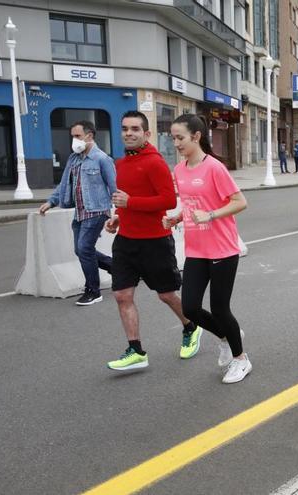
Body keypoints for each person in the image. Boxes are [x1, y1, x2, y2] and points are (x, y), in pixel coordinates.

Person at [104, 110, 201, 371]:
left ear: (146, 134)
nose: (128, 133)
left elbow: (168, 201)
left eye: (135, 129)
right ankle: (136, 350)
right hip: (125, 241)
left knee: (167, 295)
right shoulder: (120, 163)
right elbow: (126, 200)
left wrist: (130, 203)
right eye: (125, 129)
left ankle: (191, 327)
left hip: (154, 241)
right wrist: (117, 217)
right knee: (122, 295)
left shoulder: (155, 162)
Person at [163, 114, 251, 384]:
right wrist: (178, 217)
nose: (176, 143)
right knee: (189, 308)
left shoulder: (214, 167)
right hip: (196, 249)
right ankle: (225, 335)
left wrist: (211, 215)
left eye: (180, 137)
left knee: (220, 308)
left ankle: (240, 359)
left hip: (223, 249)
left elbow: (240, 202)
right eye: (173, 138)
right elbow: (191, 205)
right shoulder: (179, 170)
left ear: (196, 136)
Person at [39, 121, 116, 306]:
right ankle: (118, 268)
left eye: (77, 136)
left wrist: (118, 212)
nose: (74, 140)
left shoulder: (102, 159)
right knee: (80, 250)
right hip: (80, 212)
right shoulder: (74, 159)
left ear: (89, 136)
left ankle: (93, 290)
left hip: (97, 210)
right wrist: (51, 201)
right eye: (72, 136)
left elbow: (115, 187)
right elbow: (64, 184)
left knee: (84, 248)